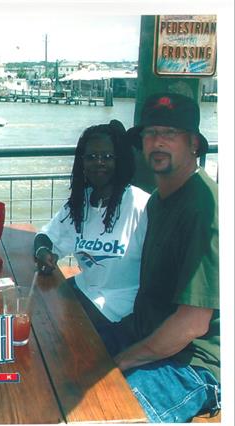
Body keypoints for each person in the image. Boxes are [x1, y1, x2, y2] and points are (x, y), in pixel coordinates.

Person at [100, 93, 220, 422]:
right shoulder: (158, 201)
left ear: (194, 144)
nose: (158, 142)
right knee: (64, 353)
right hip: (150, 333)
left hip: (196, 362)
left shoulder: (205, 208)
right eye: (151, 134)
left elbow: (193, 323)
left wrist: (123, 360)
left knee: (113, 413)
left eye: (170, 133)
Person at [34, 120, 150, 327]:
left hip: (122, 308)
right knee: (35, 311)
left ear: (120, 160)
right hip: (84, 292)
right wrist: (43, 252)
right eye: (91, 157)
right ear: (82, 163)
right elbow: (45, 236)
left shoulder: (141, 205)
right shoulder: (80, 203)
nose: (99, 163)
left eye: (107, 157)